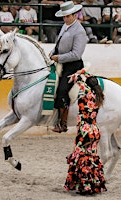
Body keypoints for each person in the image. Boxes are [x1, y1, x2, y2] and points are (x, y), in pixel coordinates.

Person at [64, 69, 107, 195]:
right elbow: (88, 79)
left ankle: (85, 187)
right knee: (91, 158)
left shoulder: (86, 92)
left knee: (82, 158)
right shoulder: (100, 95)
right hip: (94, 130)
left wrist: (78, 74)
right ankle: (93, 185)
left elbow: (79, 81)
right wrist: (83, 73)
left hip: (84, 130)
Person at [49, 1, 88, 133]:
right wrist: (53, 51)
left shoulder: (80, 32)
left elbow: (76, 54)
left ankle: (63, 123)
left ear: (74, 15)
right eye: (64, 16)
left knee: (62, 89)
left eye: (67, 16)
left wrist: (59, 57)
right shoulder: (65, 26)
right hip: (62, 62)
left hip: (73, 66)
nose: (65, 18)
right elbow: (58, 43)